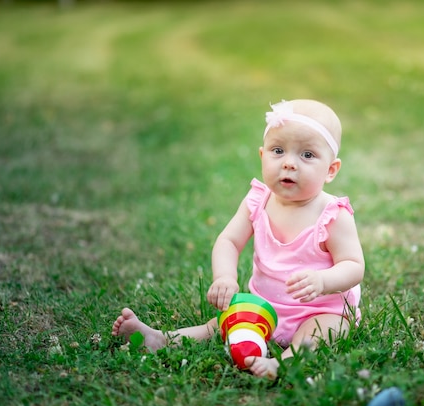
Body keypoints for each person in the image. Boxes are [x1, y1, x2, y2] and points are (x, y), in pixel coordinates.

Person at [112, 99, 365, 379]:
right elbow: (229, 241)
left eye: (307, 155)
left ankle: (283, 364)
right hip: (263, 306)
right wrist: (225, 278)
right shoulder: (258, 201)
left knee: (321, 333)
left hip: (319, 309)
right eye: (278, 151)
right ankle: (161, 338)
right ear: (262, 155)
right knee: (218, 324)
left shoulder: (333, 215)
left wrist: (323, 281)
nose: (289, 163)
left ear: (331, 169)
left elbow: (353, 265)